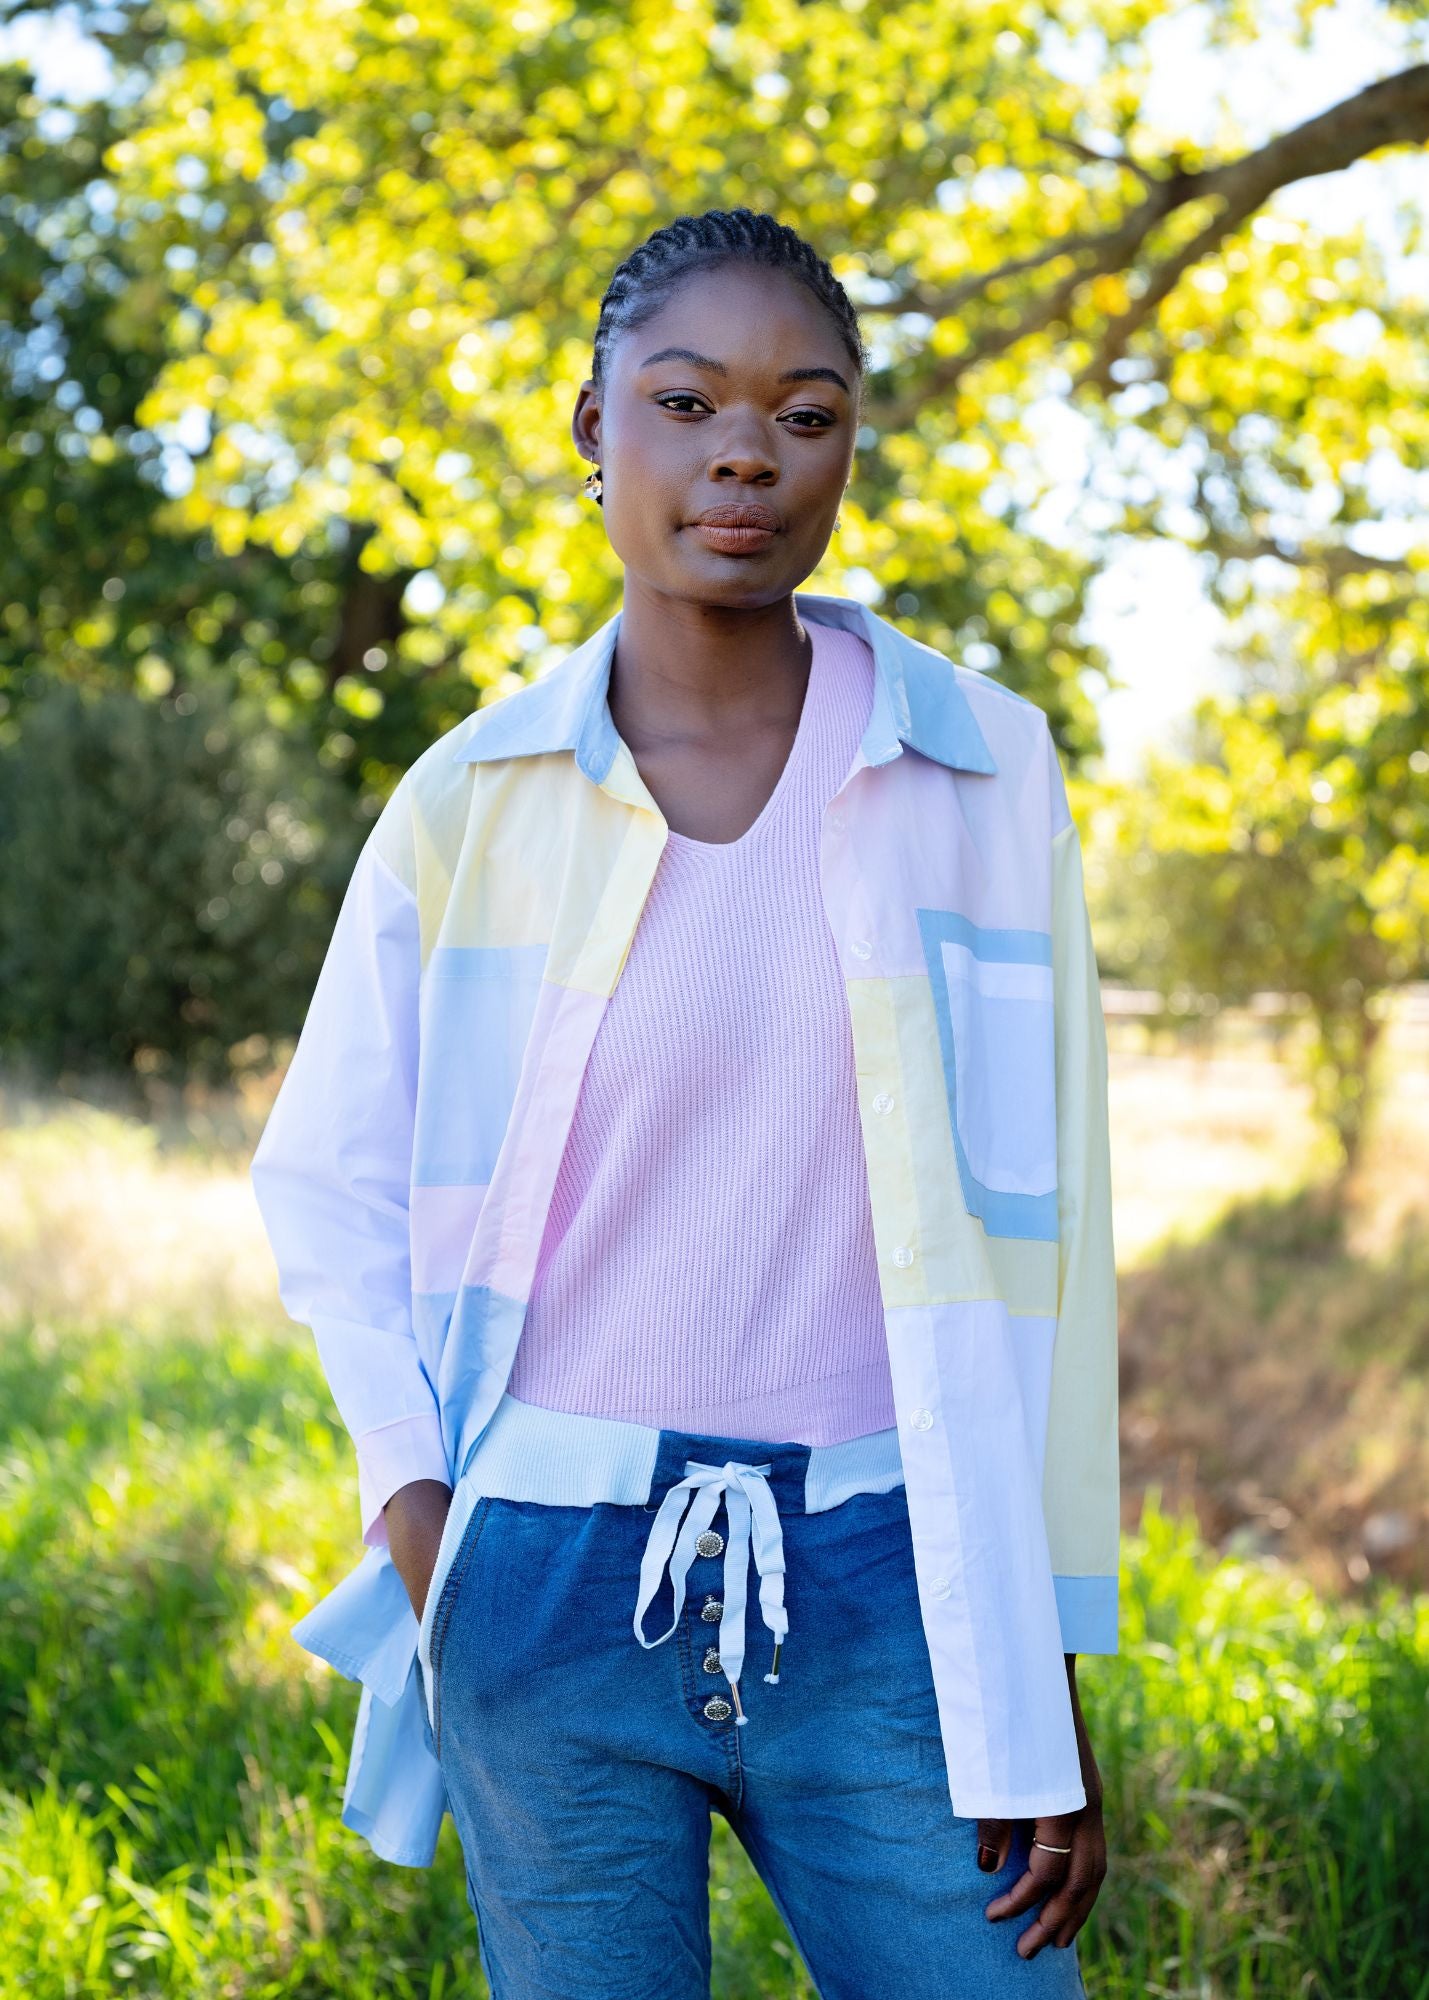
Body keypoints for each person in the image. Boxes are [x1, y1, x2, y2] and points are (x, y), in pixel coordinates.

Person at [250, 205, 1118, 1999]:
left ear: (849, 448)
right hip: (542, 1585)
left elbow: (1055, 1239)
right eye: (686, 401)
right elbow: (323, 1182)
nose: (746, 452)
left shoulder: (979, 769)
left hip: (898, 1577)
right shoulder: (469, 800)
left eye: (806, 413)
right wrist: (427, 1524)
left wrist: (1039, 1656)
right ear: (592, 428)